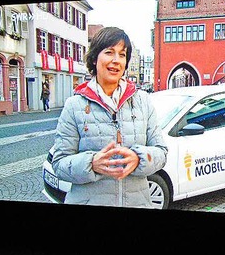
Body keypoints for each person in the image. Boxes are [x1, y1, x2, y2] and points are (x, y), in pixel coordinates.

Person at [51, 26, 167, 208]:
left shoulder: (143, 101)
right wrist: (91, 164)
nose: (116, 60)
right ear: (95, 58)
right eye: (109, 52)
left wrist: (139, 159)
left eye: (122, 54)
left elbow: (161, 152)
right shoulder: (74, 106)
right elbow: (59, 164)